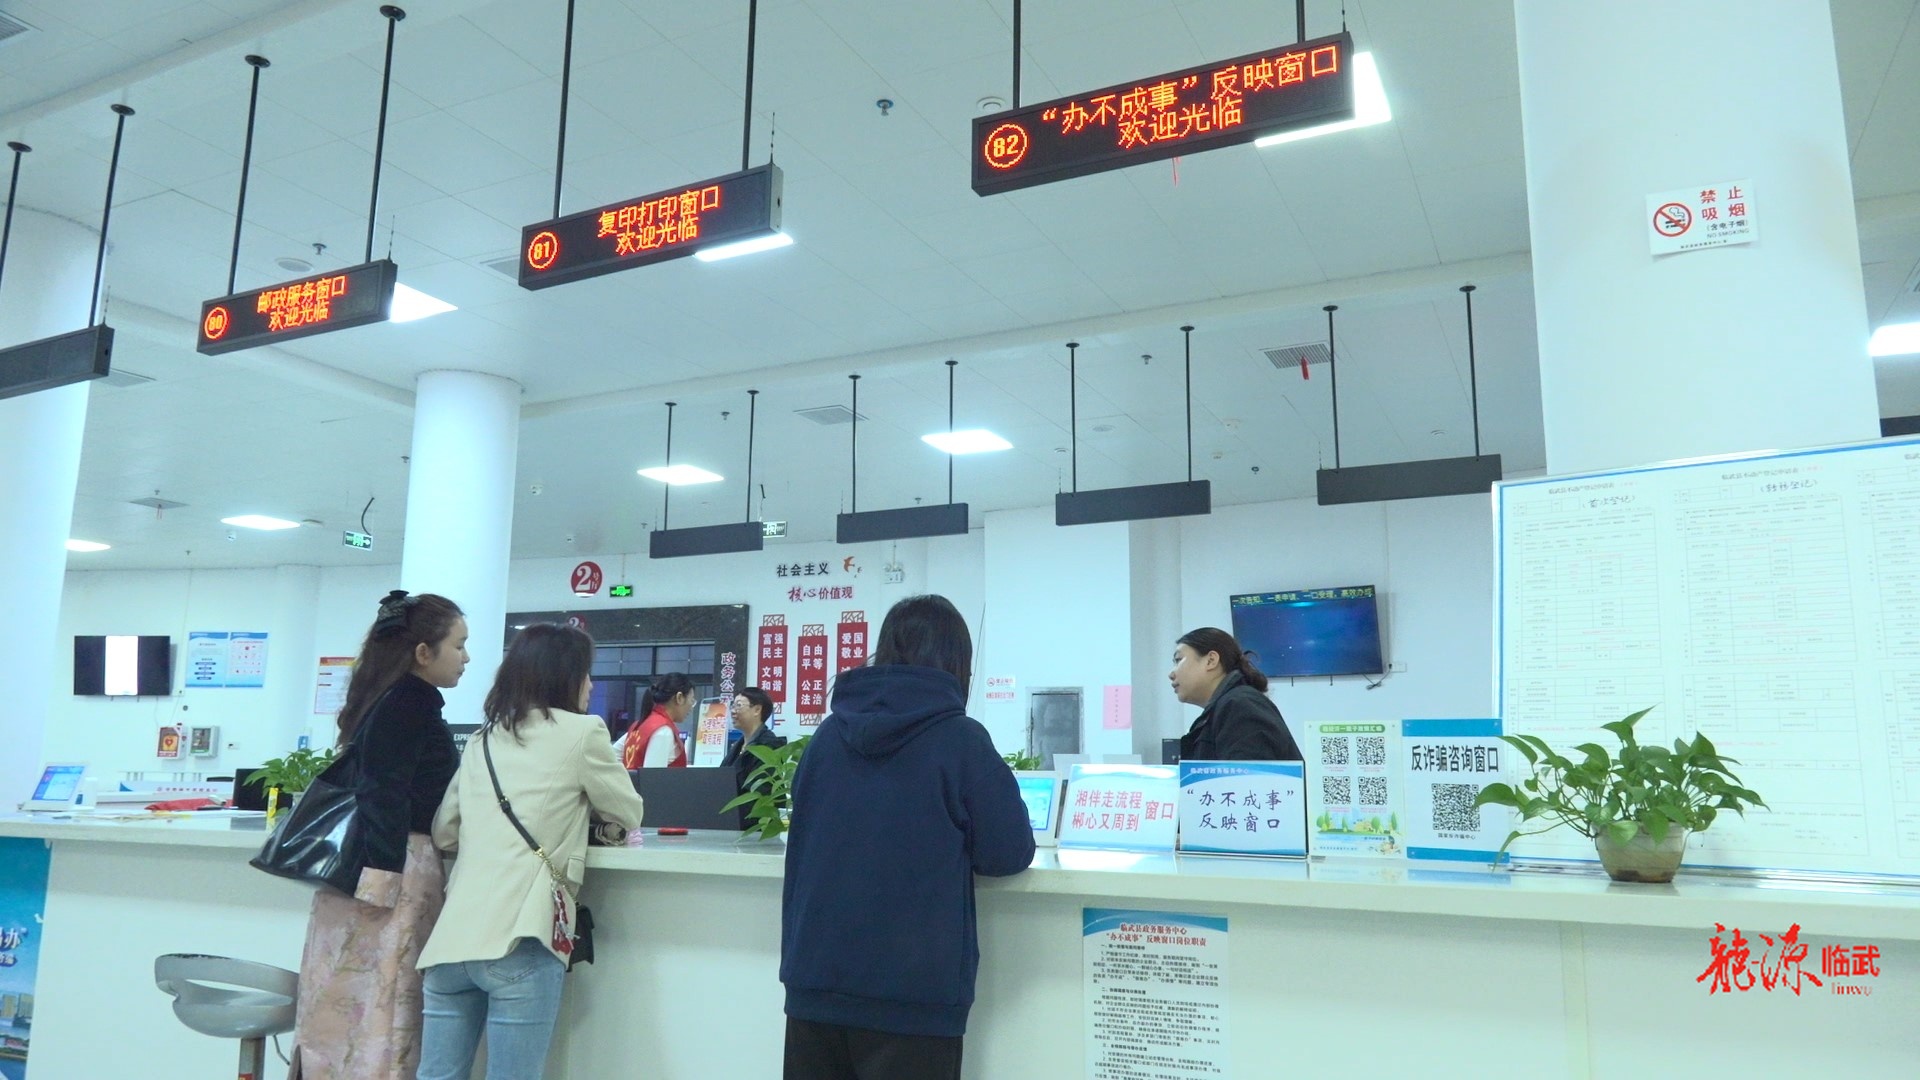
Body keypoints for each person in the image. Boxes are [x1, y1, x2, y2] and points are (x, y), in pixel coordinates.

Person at [780, 595, 1035, 1080]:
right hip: (914, 997)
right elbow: (1008, 853)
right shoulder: (960, 740)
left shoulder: (827, 738)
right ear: (958, 664)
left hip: (814, 983)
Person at [416, 623, 645, 1080]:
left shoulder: (482, 739)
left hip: (451, 943)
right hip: (522, 936)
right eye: (586, 673)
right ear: (566, 676)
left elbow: (444, 832)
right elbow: (628, 811)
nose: (591, 685)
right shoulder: (583, 732)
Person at [291, 590, 468, 1080]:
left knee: (351, 1002)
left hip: (376, 870)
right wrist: (383, 876)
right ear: (423, 652)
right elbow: (382, 789)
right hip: (393, 872)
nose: (467, 657)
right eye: (459, 645)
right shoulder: (408, 703)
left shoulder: (390, 699)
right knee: (383, 1001)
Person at [1169, 626, 1303, 761]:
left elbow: (1251, 773)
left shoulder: (1241, 705)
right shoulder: (1231, 706)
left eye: (1178, 660)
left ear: (1211, 660)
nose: (1171, 674)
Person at [619, 671, 693, 769]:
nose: (691, 707)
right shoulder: (663, 731)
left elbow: (611, 755)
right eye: (692, 700)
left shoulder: (639, 724)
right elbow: (652, 777)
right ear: (679, 698)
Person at [723, 685, 787, 794]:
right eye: (733, 706)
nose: (733, 711)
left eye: (739, 705)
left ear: (757, 710)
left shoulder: (769, 746)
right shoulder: (738, 746)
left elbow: (761, 792)